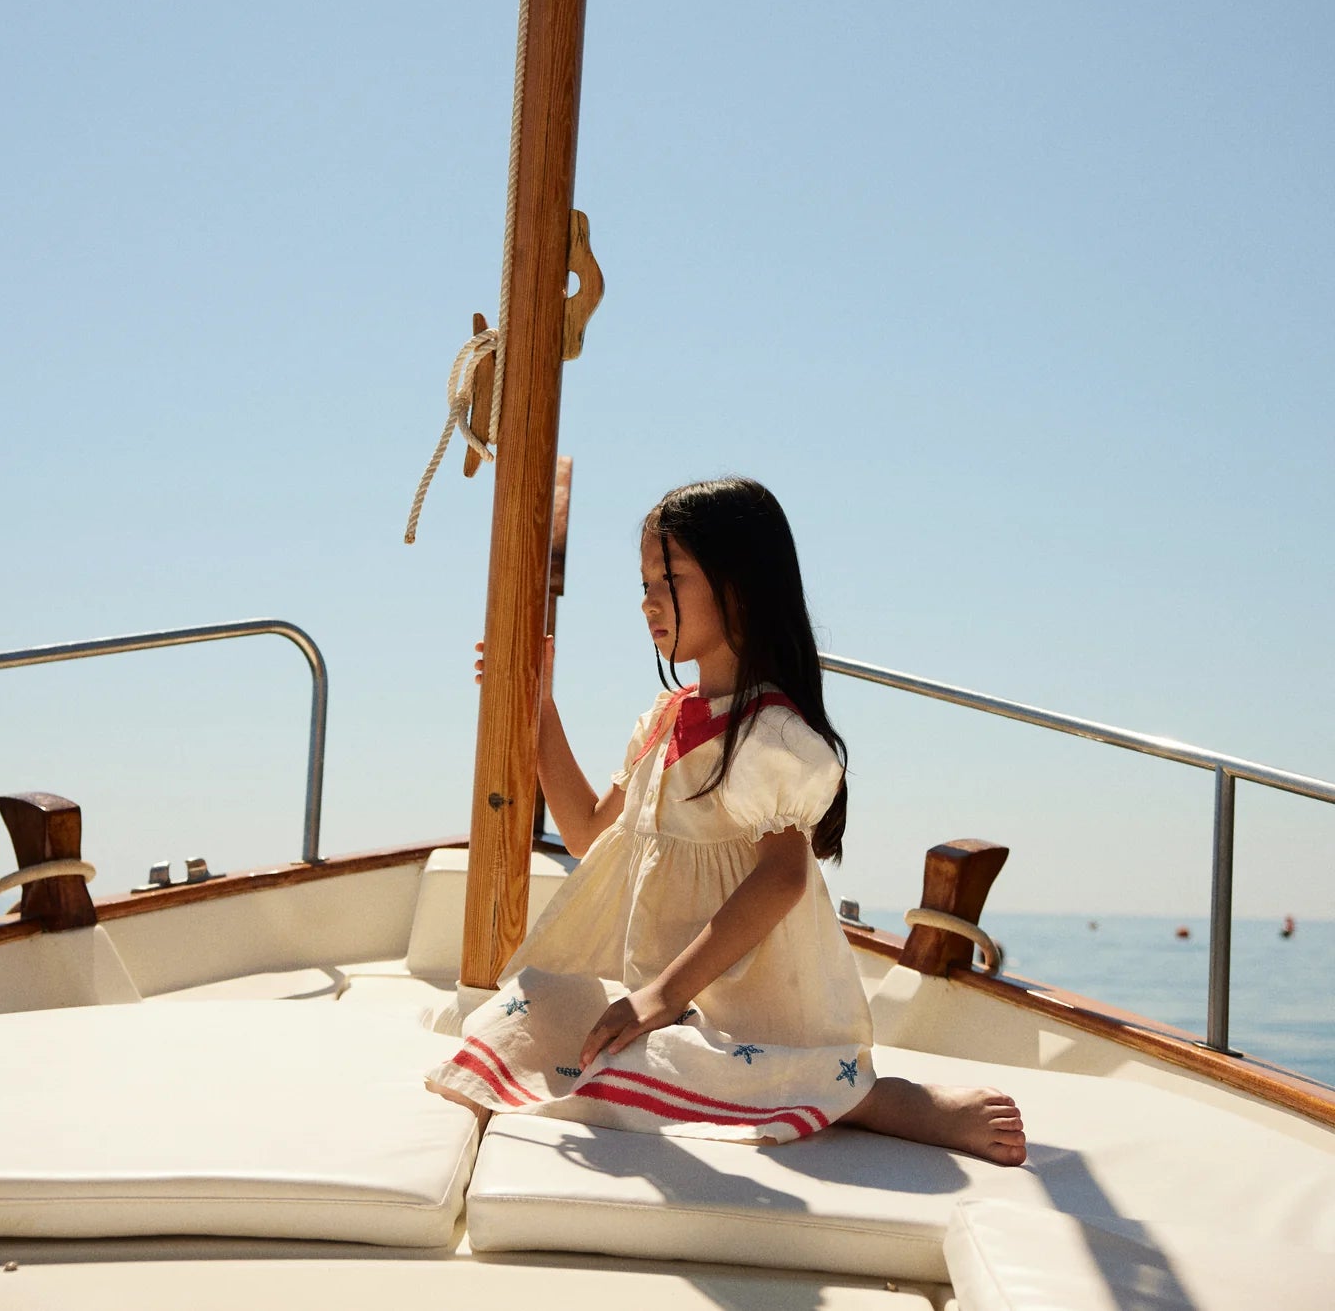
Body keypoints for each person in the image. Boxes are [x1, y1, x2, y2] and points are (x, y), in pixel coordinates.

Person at [426, 477, 1026, 1162]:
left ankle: (872, 1098)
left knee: (635, 1068)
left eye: (669, 577)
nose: (648, 598)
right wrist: (540, 715)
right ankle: (714, 1061)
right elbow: (594, 835)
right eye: (646, 579)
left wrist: (658, 996)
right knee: (527, 1010)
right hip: (672, 1000)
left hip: (741, 1016)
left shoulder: (767, 733)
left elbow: (781, 880)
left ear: (738, 586)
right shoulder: (663, 719)